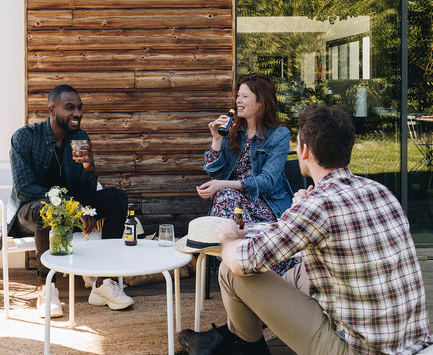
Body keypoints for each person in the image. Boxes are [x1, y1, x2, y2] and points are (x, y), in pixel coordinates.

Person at [179, 104, 432, 354]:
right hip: (407, 341)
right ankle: (228, 340)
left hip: (356, 348)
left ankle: (245, 348)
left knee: (230, 271)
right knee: (299, 271)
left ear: (305, 150)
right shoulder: (380, 191)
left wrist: (230, 239)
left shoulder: (318, 205)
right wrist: (300, 208)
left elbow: (242, 261)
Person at [8, 84, 134, 317]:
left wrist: (88, 167)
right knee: (45, 209)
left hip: (74, 209)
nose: (77, 113)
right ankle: (47, 287)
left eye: (79, 107)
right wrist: (71, 206)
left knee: (116, 197)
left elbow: (84, 189)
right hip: (31, 212)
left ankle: (102, 283)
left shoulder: (79, 138)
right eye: (69, 108)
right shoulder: (25, 137)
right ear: (51, 110)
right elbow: (25, 189)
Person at [196, 72, 299, 276]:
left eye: (244, 96)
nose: (238, 101)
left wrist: (223, 185)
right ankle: (246, 264)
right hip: (236, 206)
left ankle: (238, 259)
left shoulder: (279, 134)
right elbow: (213, 171)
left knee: (225, 194)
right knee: (226, 196)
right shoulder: (234, 130)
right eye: (238, 96)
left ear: (261, 102)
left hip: (267, 203)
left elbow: (268, 181)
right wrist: (216, 140)